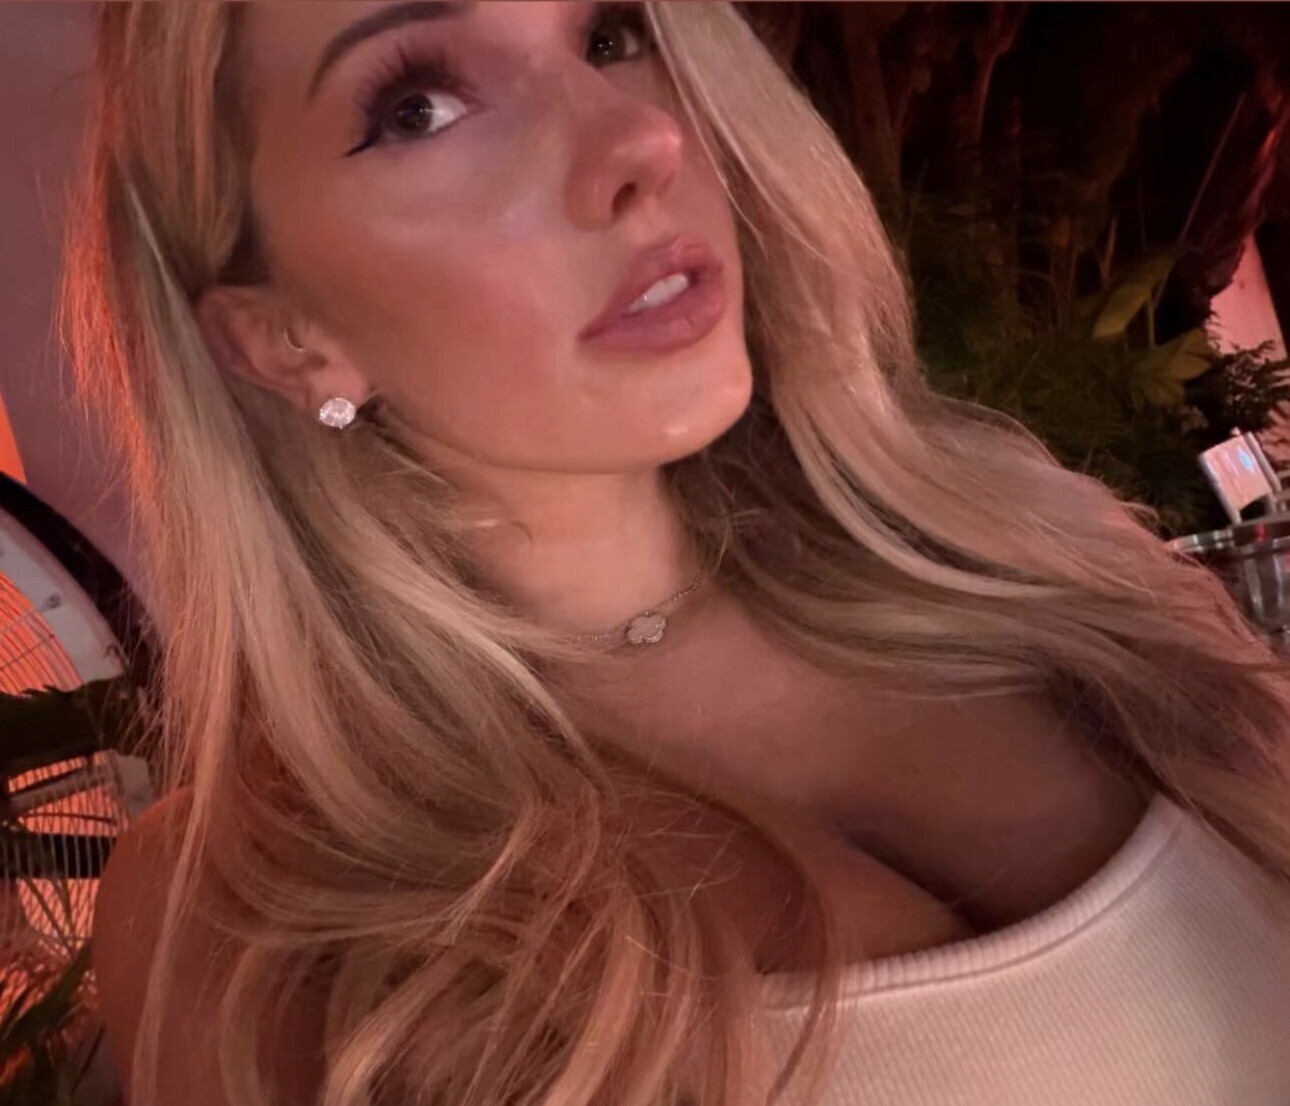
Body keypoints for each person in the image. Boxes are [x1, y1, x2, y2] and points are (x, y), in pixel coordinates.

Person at [59, 3, 1290, 1105]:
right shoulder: (251, 911)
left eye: (609, 35)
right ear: (286, 338)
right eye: (417, 105)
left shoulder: (1026, 545)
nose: (637, 139)